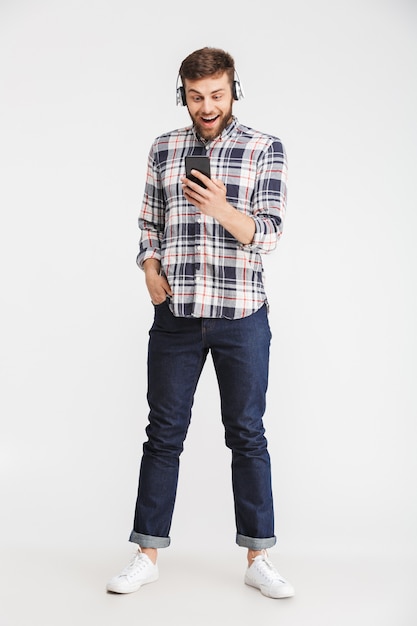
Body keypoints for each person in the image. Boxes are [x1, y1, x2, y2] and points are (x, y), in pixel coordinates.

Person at [106, 46, 294, 600]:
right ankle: (146, 554)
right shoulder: (164, 148)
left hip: (241, 314)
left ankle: (259, 555)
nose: (206, 106)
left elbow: (271, 232)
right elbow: (148, 220)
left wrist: (222, 209)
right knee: (162, 435)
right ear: (183, 96)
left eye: (216, 95)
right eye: (195, 97)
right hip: (177, 316)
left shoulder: (265, 148)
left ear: (234, 90)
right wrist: (148, 267)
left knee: (248, 435)